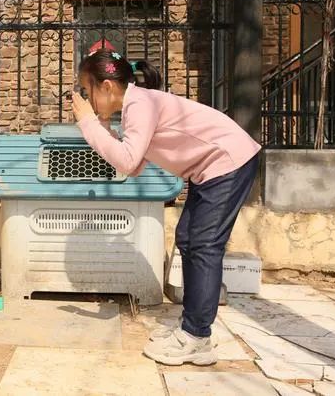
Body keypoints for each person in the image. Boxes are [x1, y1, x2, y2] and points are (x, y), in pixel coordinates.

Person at [71, 49, 261, 366]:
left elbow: (129, 161)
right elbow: (134, 162)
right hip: (210, 168)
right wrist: (100, 126)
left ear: (106, 86)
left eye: (87, 91)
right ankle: (192, 328)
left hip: (228, 162)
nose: (86, 100)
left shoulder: (140, 104)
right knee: (188, 239)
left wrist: (88, 123)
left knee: (203, 246)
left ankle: (197, 337)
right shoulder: (137, 104)